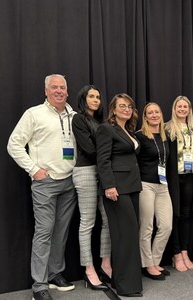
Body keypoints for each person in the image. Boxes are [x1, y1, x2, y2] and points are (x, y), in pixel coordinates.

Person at [7, 74, 77, 300]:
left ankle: (55, 273)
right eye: (54, 87)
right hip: (45, 183)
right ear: (46, 91)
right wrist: (33, 169)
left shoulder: (74, 116)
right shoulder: (34, 114)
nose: (59, 91)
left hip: (69, 182)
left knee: (61, 231)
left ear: (67, 91)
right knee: (44, 232)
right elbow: (14, 144)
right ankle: (39, 284)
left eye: (62, 88)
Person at [96, 93, 143, 297]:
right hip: (117, 189)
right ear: (113, 110)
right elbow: (103, 159)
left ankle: (120, 280)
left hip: (132, 187)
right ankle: (126, 286)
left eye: (129, 106)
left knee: (130, 234)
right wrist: (109, 185)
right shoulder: (106, 129)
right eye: (121, 106)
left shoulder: (129, 130)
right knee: (125, 235)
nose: (126, 109)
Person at [72, 85, 110, 291]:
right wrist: (108, 159)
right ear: (83, 99)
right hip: (86, 171)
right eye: (91, 96)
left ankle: (105, 264)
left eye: (98, 96)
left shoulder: (99, 122)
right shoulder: (79, 119)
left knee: (107, 221)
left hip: (102, 172)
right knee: (87, 222)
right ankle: (89, 270)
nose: (96, 100)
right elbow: (88, 148)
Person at [165, 96, 193, 272]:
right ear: (174, 109)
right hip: (174, 177)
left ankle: (184, 251)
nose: (182, 109)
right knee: (174, 215)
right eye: (179, 106)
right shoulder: (167, 128)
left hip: (190, 177)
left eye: (185, 106)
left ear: (189, 109)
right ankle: (175, 254)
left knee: (187, 215)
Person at [136, 102, 173, 280]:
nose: (154, 115)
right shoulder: (140, 136)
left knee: (166, 226)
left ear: (161, 114)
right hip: (146, 185)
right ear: (145, 116)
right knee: (147, 226)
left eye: (156, 111)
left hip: (163, 186)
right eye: (150, 112)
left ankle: (155, 260)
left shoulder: (165, 136)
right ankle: (147, 264)